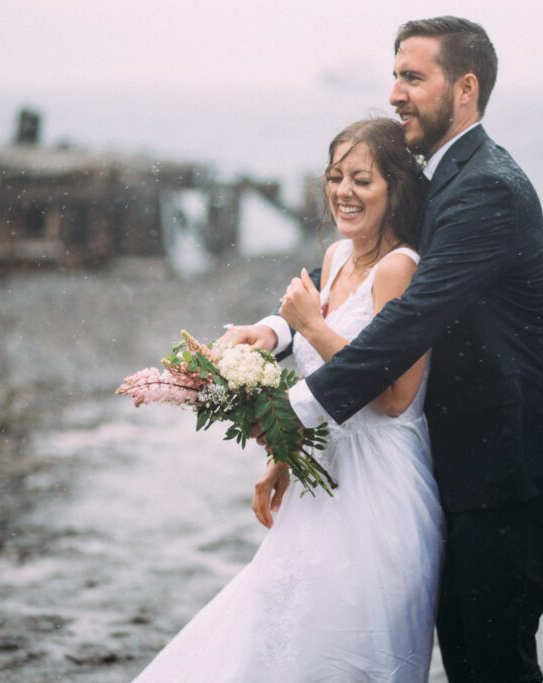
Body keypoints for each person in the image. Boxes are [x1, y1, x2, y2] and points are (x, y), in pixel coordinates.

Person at [235, 16, 543, 682]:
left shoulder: (486, 186)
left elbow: (412, 317)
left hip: (512, 464)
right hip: (462, 462)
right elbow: (357, 271)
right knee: (466, 653)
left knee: (491, 663)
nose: (395, 93)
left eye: (412, 77)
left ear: (465, 88)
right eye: (394, 74)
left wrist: (297, 411)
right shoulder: (446, 176)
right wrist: (278, 329)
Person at [132, 118, 444, 682]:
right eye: (335, 177)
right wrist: (284, 448)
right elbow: (328, 370)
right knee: (281, 632)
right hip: (320, 475)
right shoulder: (335, 259)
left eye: (362, 180)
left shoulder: (401, 269)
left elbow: (397, 396)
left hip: (379, 488)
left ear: (395, 189)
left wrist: (307, 323)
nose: (343, 192)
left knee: (351, 645)